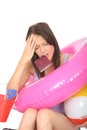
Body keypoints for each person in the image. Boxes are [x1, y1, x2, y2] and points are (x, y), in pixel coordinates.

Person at [6, 22, 87, 130]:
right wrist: (23, 60)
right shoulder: (34, 66)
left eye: (45, 44)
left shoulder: (70, 61)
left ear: (52, 41)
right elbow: (10, 95)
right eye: (37, 47)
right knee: (29, 113)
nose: (43, 50)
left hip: (66, 124)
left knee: (44, 114)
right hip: (41, 125)